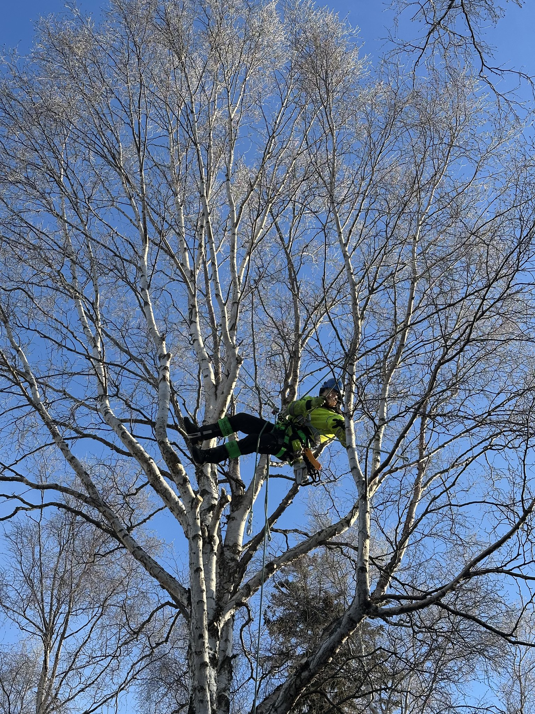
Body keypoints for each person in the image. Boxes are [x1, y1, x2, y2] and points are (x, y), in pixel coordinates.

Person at [185, 378, 346, 465]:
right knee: (242, 419)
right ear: (323, 391)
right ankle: (199, 434)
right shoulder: (312, 401)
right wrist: (311, 404)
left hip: (292, 445)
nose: (333, 396)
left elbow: (345, 435)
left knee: (254, 441)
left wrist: (345, 433)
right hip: (281, 432)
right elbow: (292, 409)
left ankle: (207, 457)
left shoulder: (335, 418)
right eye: (331, 392)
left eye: (337, 396)